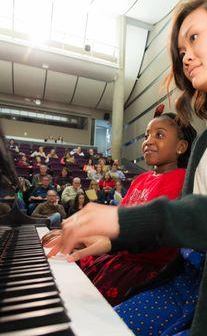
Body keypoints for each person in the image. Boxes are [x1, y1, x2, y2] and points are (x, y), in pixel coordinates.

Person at [46, 0, 207, 336]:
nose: (185, 54)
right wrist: (111, 241)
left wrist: (123, 222)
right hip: (188, 283)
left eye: (195, 38)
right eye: (181, 47)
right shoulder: (202, 139)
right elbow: (184, 228)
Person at [73, 113, 196, 306]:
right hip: (119, 256)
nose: (148, 141)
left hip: (145, 267)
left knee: (91, 304)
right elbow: (119, 220)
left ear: (180, 147)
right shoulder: (140, 179)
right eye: (147, 135)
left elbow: (156, 232)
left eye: (159, 135)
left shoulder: (182, 179)